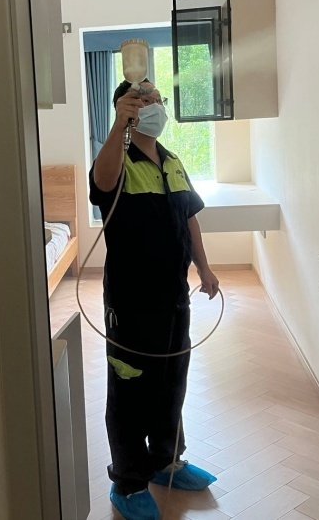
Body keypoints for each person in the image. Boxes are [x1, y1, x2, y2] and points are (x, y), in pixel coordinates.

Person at [89, 79, 220, 520]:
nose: (153, 105)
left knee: (171, 379)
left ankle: (167, 461)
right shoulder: (115, 159)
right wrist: (118, 127)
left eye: (156, 99)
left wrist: (204, 268)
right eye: (141, 99)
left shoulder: (173, 161)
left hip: (174, 294)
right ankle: (128, 483)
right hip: (131, 300)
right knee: (130, 390)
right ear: (125, 108)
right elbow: (102, 182)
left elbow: (190, 219)